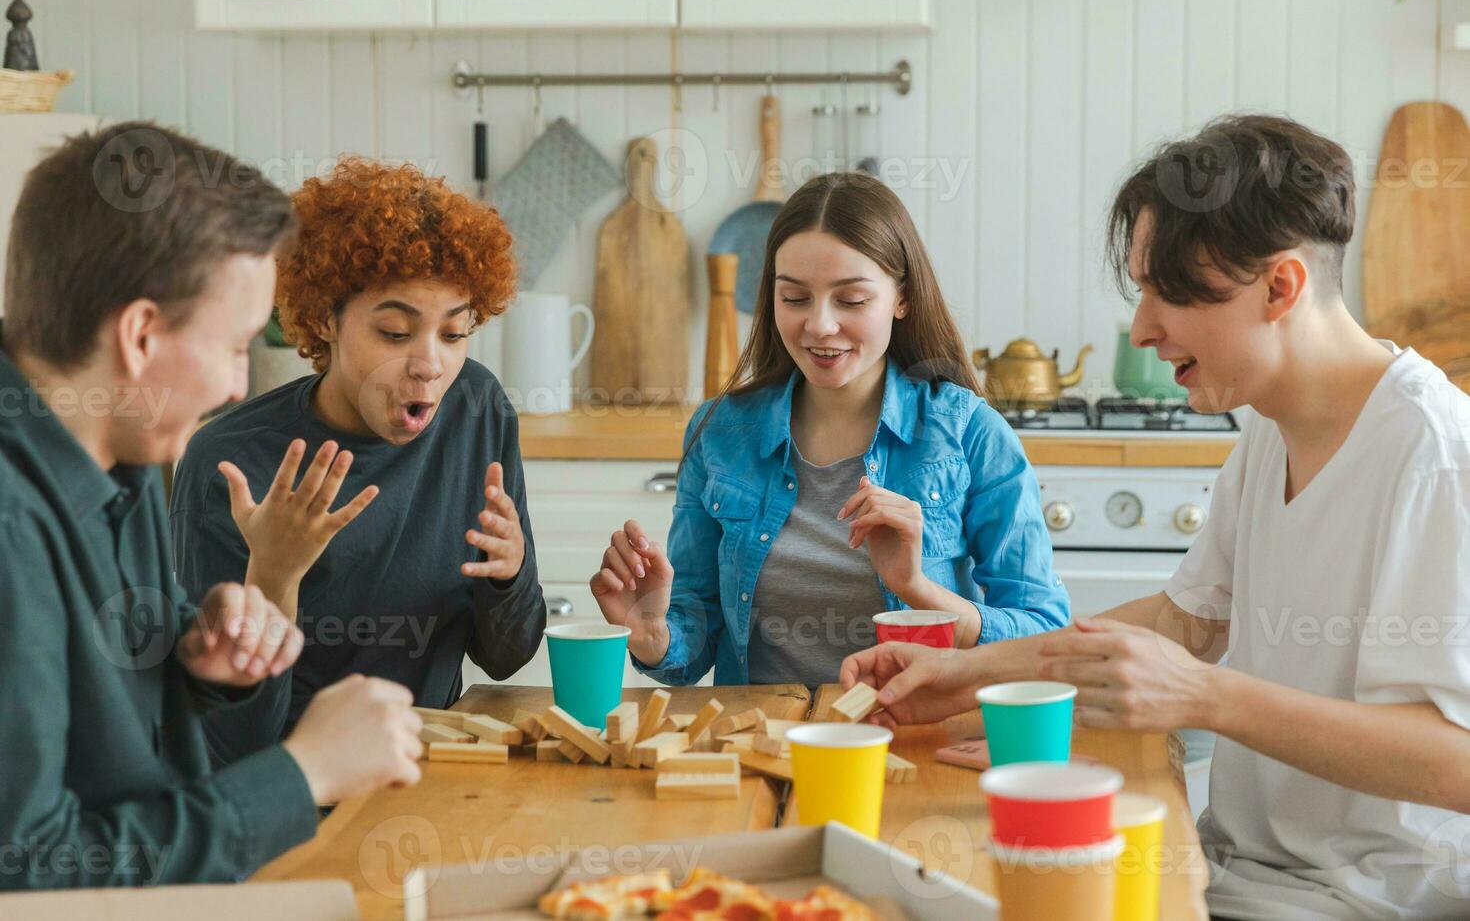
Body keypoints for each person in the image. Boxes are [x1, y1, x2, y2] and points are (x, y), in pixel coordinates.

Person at [841, 115, 1470, 918]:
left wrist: (1208, 698)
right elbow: (1187, 621)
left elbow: (1456, 764)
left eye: (1168, 291)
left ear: (1281, 287)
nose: (1142, 327)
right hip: (1236, 873)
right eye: (1141, 289)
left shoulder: (1434, 453)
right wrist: (970, 674)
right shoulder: (1269, 432)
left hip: (1358, 903)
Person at [0, 122, 422, 889]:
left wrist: (195, 660)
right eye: (233, 347)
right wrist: (304, 774)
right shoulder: (11, 528)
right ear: (139, 334)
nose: (237, 385)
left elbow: (104, 732)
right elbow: (29, 874)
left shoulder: (122, 445)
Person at [589, 172, 1070, 688]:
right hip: (760, 746)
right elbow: (696, 636)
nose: (819, 325)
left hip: (911, 745)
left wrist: (917, 588)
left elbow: (1042, 636)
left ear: (900, 298)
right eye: (795, 298)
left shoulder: (971, 434)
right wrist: (653, 636)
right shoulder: (719, 432)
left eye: (852, 300)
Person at [170, 157, 545, 768]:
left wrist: (510, 574)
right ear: (325, 319)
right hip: (298, 792)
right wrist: (273, 575)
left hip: (434, 770)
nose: (429, 365)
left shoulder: (477, 409)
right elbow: (221, 741)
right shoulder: (233, 463)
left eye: (454, 334)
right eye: (395, 333)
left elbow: (506, 658)